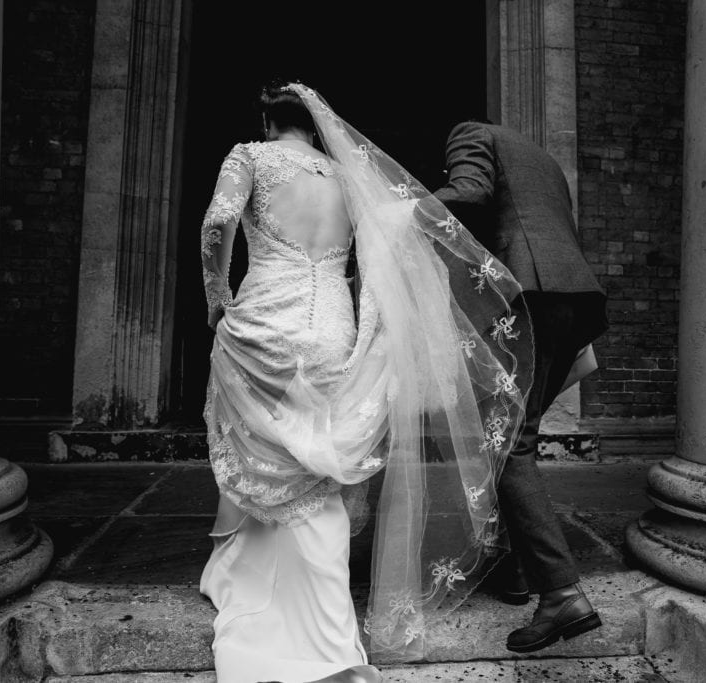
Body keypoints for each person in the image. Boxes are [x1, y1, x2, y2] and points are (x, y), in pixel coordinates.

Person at [197, 83, 534, 682]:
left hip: (267, 319)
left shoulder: (250, 155)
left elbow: (220, 220)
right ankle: (257, 576)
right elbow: (383, 255)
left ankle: (321, 631)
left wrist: (216, 298)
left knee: (272, 452)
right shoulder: (347, 178)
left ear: (269, 121)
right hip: (332, 326)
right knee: (315, 461)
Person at [434, 121, 609, 653]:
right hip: (574, 298)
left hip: (530, 291)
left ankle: (560, 592)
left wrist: (397, 206)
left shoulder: (468, 132)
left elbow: (468, 195)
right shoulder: (544, 162)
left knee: (508, 443)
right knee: (514, 434)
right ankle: (520, 571)